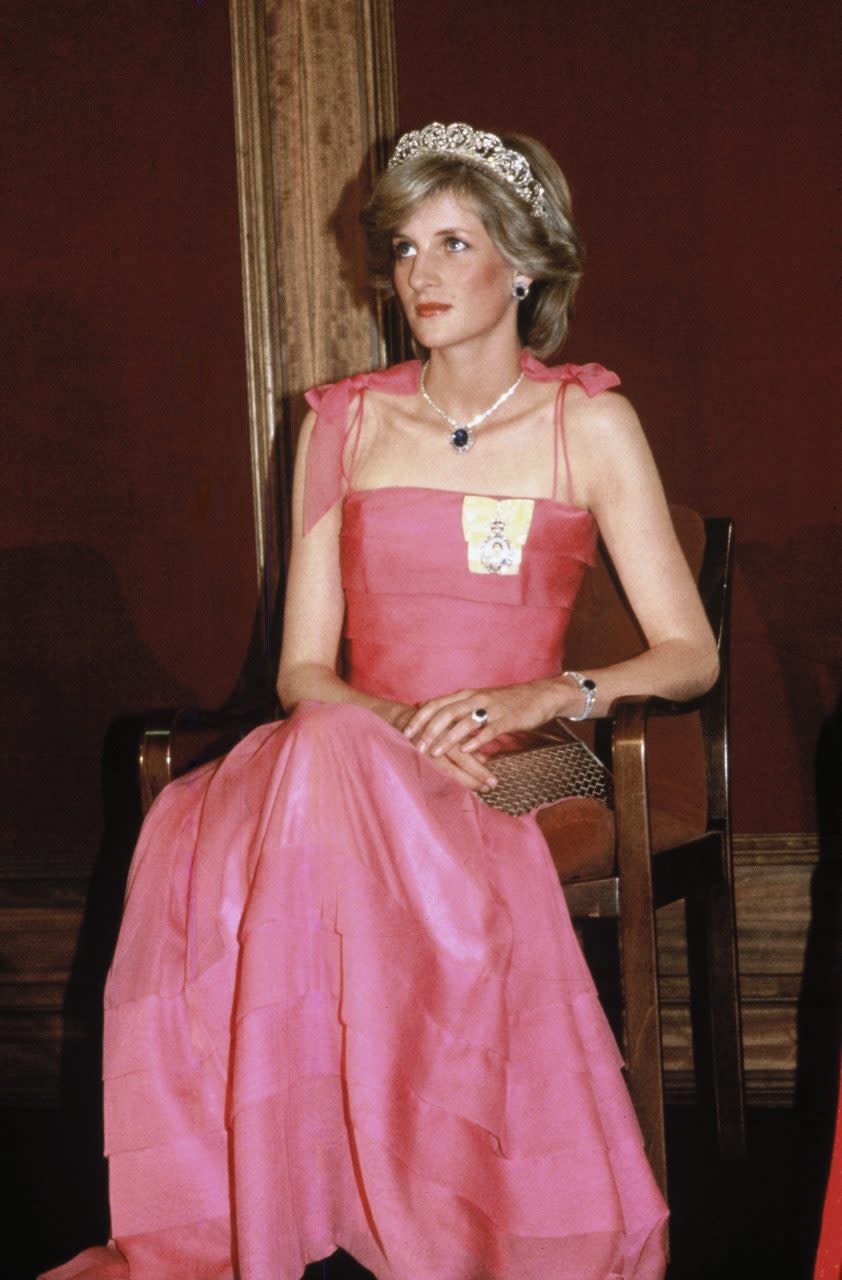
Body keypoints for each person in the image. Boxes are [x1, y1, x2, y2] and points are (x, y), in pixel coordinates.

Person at [43, 122, 719, 1280]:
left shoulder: (587, 421)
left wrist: (552, 687)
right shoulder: (340, 422)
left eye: (453, 244)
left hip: (530, 753)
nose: (419, 275)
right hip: (357, 738)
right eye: (404, 248)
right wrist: (390, 731)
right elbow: (304, 668)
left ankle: (426, 1204)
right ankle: (314, 1192)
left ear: (526, 265)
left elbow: (688, 653)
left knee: (311, 779)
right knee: (309, 753)